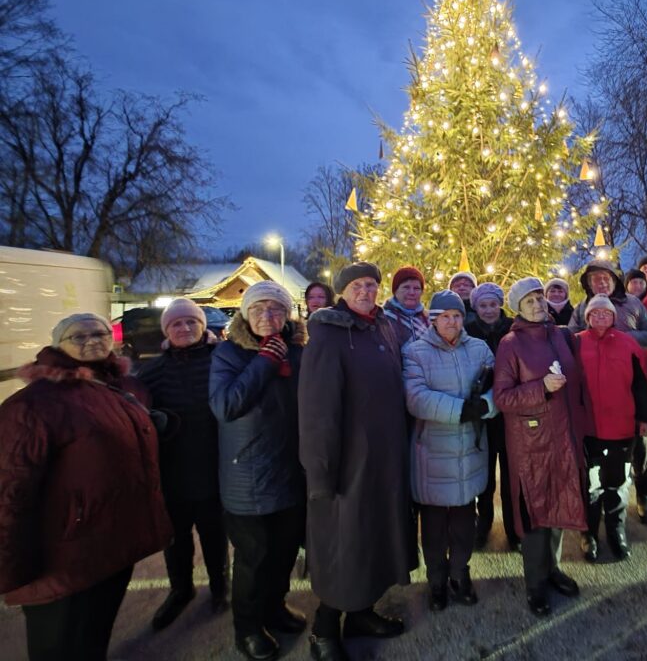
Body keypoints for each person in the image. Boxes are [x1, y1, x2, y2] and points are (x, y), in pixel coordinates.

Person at [0, 313, 172, 661]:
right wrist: (10, 567)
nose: (92, 340)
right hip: (63, 559)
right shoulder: (34, 404)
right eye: (78, 336)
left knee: (93, 639)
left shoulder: (121, 387)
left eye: (100, 333)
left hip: (109, 547)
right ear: (56, 345)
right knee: (60, 648)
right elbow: (10, 489)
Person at [298, 262, 417, 661]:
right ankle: (324, 627)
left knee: (374, 541)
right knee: (345, 546)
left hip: (384, 459)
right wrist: (320, 472)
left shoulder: (381, 326)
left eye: (371, 284)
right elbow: (317, 411)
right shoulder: (329, 335)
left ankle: (362, 614)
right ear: (342, 292)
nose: (366, 291)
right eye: (357, 286)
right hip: (347, 463)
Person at [210, 281, 306, 661]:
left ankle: (275, 608)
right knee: (253, 557)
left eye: (276, 309)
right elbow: (226, 405)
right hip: (247, 473)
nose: (268, 317)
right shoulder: (229, 354)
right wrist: (264, 361)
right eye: (259, 310)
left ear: (287, 315)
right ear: (245, 315)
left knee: (283, 551)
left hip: (289, 468)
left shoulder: (298, 351)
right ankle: (247, 629)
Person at [494, 277, 588, 617]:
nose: (537, 305)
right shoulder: (510, 343)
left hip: (565, 438)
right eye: (529, 301)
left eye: (539, 298)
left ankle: (553, 570)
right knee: (536, 514)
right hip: (532, 442)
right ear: (517, 309)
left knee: (559, 506)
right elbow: (502, 398)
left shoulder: (560, 334)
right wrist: (541, 387)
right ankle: (535, 585)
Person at [139, 298, 229, 631]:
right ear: (167, 330)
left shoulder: (221, 361)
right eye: (177, 324)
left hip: (212, 465)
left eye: (192, 322)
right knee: (175, 537)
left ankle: (221, 586)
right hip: (172, 470)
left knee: (213, 533)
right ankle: (181, 589)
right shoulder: (153, 371)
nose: (185, 328)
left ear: (203, 327)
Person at [403, 290, 495, 612]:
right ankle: (437, 580)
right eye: (445, 316)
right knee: (433, 528)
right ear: (433, 319)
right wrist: (461, 410)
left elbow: (497, 386)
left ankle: (460, 574)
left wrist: (486, 405)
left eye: (457, 316)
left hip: (469, 451)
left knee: (463, 524)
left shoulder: (479, 349)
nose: (452, 322)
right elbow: (415, 397)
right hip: (432, 452)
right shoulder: (415, 352)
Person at [568, 259, 647, 525]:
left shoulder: (632, 303)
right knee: (598, 454)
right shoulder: (582, 308)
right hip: (598, 391)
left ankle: (645, 494)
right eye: (594, 279)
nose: (600, 282)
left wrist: (621, 340)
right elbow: (571, 338)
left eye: (605, 277)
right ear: (587, 284)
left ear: (615, 279)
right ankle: (596, 511)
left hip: (634, 384)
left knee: (642, 446)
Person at [575, 295, 647, 563]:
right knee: (590, 484)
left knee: (617, 482)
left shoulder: (628, 344)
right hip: (588, 429)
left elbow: (642, 385)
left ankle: (616, 530)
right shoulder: (577, 343)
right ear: (587, 318)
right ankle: (589, 533)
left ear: (613, 317)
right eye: (594, 313)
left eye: (605, 314)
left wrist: (644, 418)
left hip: (622, 427)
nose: (600, 317)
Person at [464, 282, 518, 551]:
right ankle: (482, 524)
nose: (488, 310)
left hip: (510, 413)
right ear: (476, 307)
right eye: (483, 305)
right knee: (483, 475)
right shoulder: (468, 331)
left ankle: (514, 527)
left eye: (493, 304)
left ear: (500, 305)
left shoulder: (513, 329)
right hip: (482, 412)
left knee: (511, 474)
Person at [383, 265, 431, 340]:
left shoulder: (429, 320)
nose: (412, 292)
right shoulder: (383, 319)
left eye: (416, 288)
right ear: (395, 291)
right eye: (406, 287)